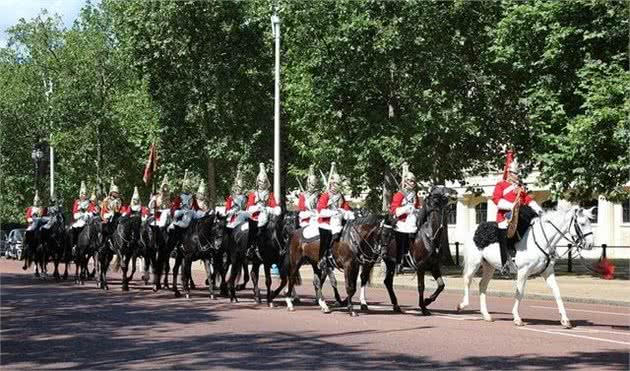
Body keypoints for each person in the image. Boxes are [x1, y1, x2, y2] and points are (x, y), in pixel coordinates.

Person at [492, 154, 543, 274]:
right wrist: (511, 206)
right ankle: (505, 262)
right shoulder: (501, 185)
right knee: (505, 230)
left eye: (518, 174)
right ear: (510, 174)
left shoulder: (520, 187)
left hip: (520, 214)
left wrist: (538, 209)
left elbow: (527, 200)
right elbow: (496, 199)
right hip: (505, 216)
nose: (518, 176)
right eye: (516, 174)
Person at [317, 162, 354, 270]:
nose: (336, 187)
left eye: (338, 185)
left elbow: (346, 208)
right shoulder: (325, 196)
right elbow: (321, 211)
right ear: (331, 184)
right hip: (326, 222)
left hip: (338, 222)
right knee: (325, 237)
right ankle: (322, 258)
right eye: (334, 184)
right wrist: (332, 212)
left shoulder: (340, 196)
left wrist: (345, 213)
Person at [385, 162, 421, 267]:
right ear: (405, 182)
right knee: (402, 236)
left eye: (414, 181)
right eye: (410, 181)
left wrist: (417, 210)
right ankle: (401, 257)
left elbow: (417, 206)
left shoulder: (414, 195)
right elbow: (394, 209)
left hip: (413, 220)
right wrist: (406, 208)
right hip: (402, 221)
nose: (413, 183)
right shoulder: (399, 194)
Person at [246, 163, 281, 242]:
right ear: (258, 182)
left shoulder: (270, 195)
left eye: (264, 182)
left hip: (268, 217)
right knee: (252, 232)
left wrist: (269, 209)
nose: (263, 184)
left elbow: (275, 207)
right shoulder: (253, 194)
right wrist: (258, 208)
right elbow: (248, 209)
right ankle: (251, 248)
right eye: (261, 182)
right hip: (255, 218)